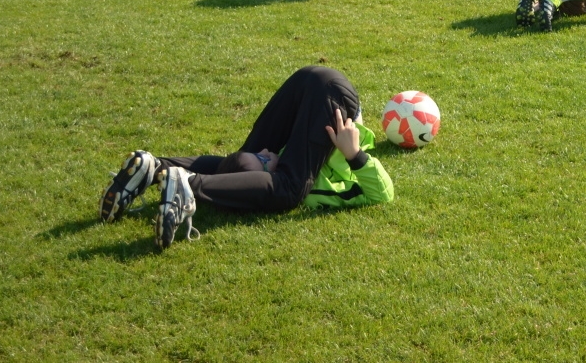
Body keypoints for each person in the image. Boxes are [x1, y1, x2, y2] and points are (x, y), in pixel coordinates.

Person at [99, 66, 394, 251]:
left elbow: (383, 194)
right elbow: (382, 193)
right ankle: (170, 175)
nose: (266, 156)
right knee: (273, 181)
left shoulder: (286, 167)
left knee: (265, 178)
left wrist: (352, 154)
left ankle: (171, 175)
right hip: (325, 92)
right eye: (264, 161)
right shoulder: (316, 168)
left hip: (320, 86)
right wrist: (354, 154)